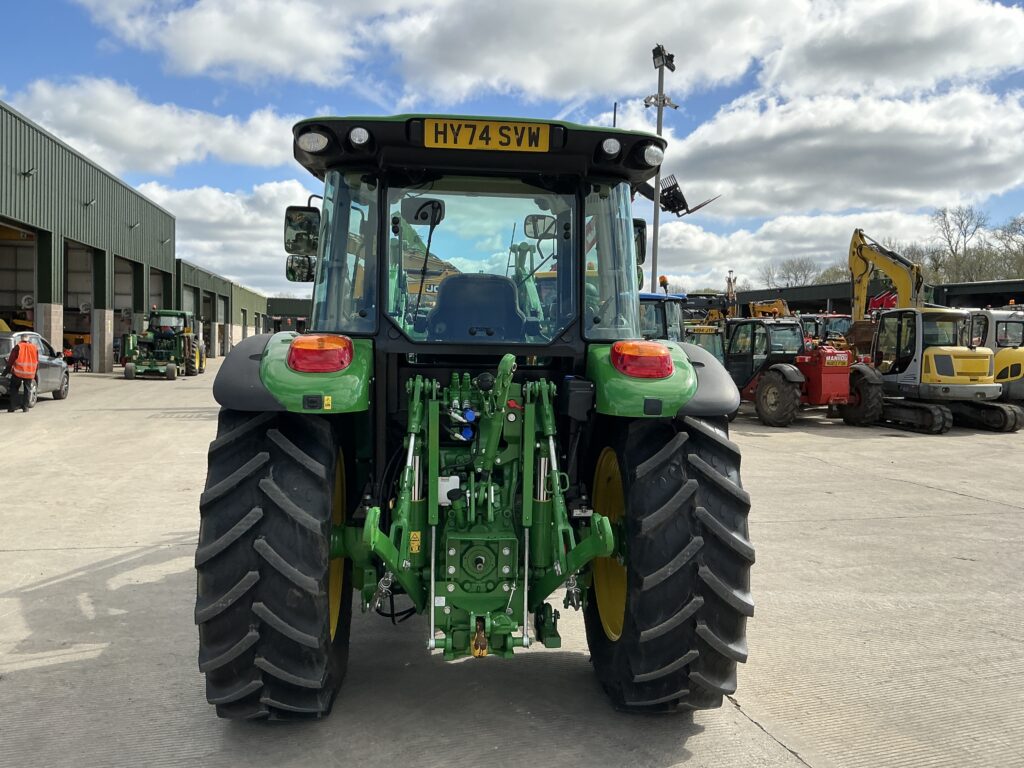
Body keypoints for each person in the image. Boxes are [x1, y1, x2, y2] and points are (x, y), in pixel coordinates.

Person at [4, 336, 38, 413]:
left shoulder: (18, 346)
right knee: (28, 389)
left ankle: (13, 406)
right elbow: (37, 360)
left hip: (18, 372)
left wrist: (7, 369)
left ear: (21, 339)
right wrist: (35, 371)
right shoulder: (34, 347)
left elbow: (12, 358)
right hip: (29, 372)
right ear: (28, 340)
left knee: (14, 388)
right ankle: (25, 407)